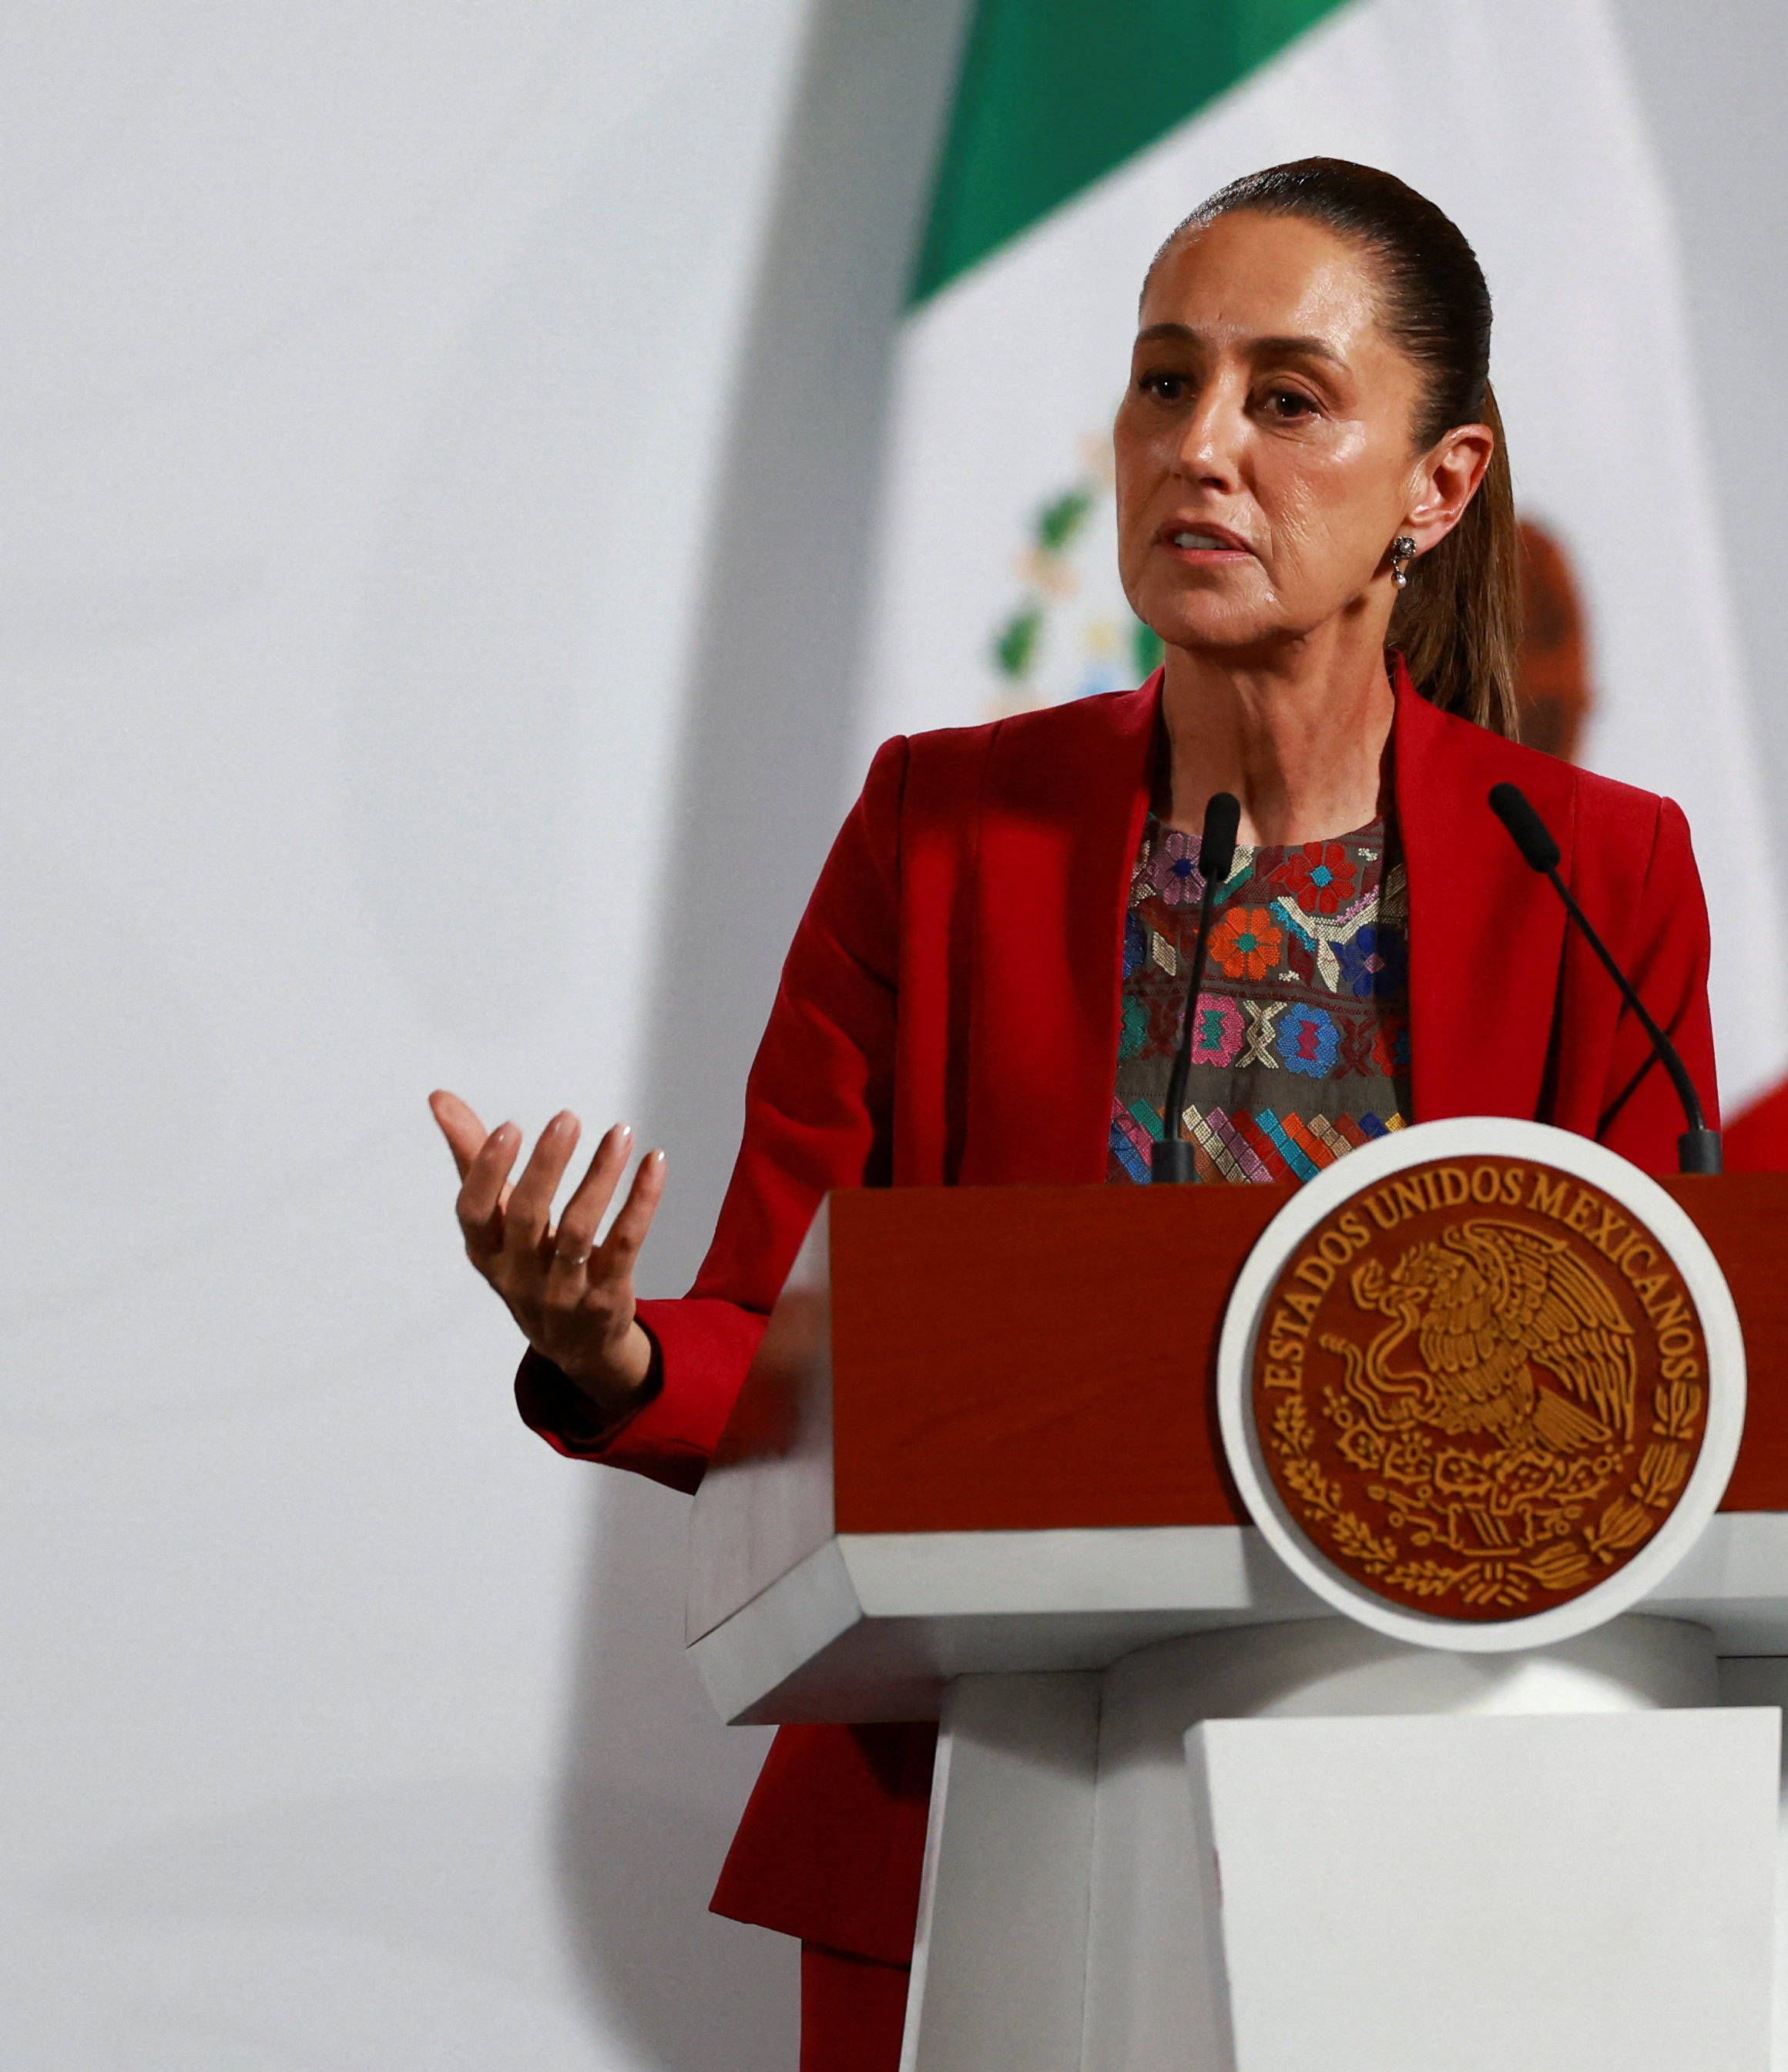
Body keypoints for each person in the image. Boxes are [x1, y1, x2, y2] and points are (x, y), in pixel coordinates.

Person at [428, 159, 1718, 2070]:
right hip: (977, 1808)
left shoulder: (1594, 873)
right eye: (1163, 381)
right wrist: (607, 1349)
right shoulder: (940, 829)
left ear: (1435, 488)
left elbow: (1665, 1378)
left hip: (1439, 1838)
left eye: (1287, 398)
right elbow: (782, 1336)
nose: (1200, 447)